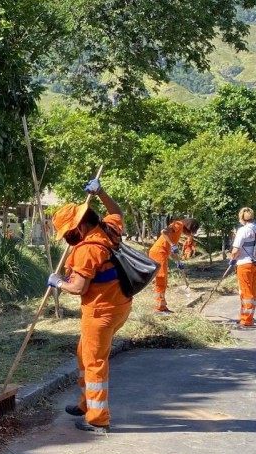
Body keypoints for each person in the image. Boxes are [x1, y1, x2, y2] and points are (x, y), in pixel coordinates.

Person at [47, 178, 132, 435]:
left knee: (94, 362)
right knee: (83, 353)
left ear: (80, 226)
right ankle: (86, 403)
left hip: (100, 311)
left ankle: (97, 419)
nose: (68, 238)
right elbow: (117, 211)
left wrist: (57, 282)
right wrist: (101, 192)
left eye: (68, 232)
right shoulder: (108, 229)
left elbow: (78, 288)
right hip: (119, 304)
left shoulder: (87, 250)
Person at [147, 217, 200, 313]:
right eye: (191, 231)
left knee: (164, 280)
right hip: (158, 252)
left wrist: (178, 262)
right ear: (189, 227)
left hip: (162, 253)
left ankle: (162, 305)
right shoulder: (178, 224)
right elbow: (164, 232)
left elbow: (172, 251)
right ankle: (159, 308)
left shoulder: (178, 230)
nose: (189, 234)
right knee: (161, 279)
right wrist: (172, 244)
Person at [229, 207, 256, 327]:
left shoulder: (243, 230)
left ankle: (246, 319)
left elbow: (235, 250)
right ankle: (248, 316)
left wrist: (232, 259)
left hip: (244, 264)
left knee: (245, 292)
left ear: (242, 218)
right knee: (253, 291)